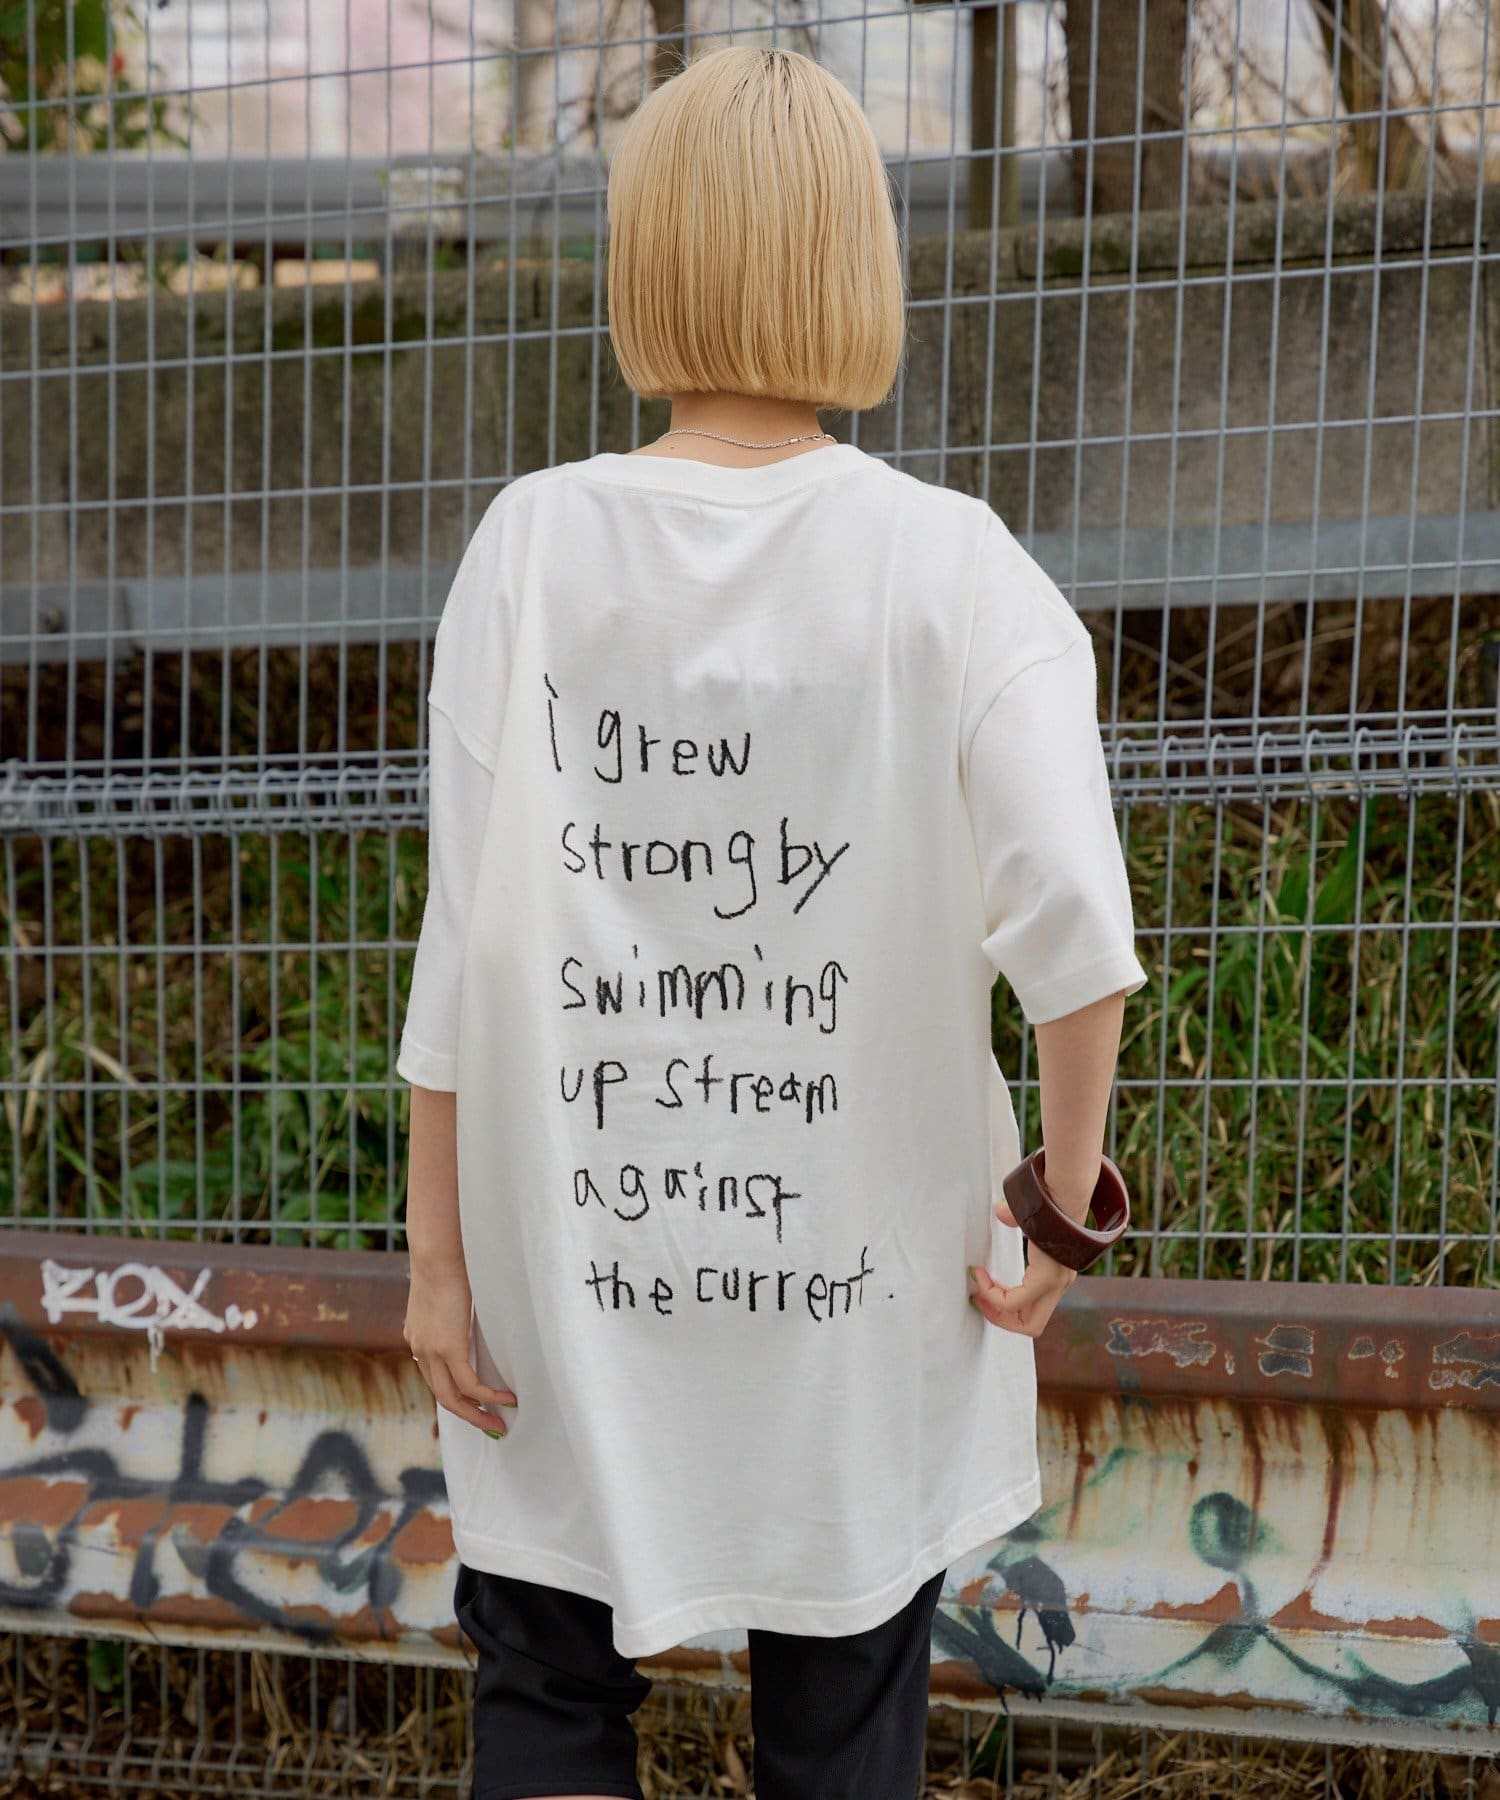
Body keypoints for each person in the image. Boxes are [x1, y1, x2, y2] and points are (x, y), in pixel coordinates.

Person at [398, 41, 1148, 1800]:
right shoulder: (957, 566)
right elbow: (1075, 919)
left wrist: (435, 1261)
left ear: (645, 260)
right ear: (853, 262)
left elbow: (464, 944)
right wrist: (1064, 1196)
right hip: (864, 1311)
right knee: (842, 1726)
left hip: (567, 1276)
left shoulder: (529, 548)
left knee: (547, 1692)